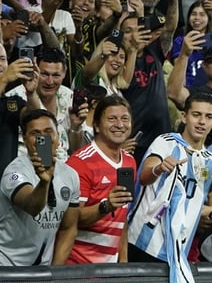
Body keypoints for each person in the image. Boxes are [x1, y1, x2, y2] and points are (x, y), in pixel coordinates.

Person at [127, 91, 212, 283]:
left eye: (208, 117)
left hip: (176, 253)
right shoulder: (166, 142)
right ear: (183, 116)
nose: (202, 121)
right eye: (196, 115)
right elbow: (143, 177)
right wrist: (159, 168)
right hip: (142, 244)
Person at [0, 109, 80, 266]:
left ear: (58, 136)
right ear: (25, 139)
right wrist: (44, 182)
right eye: (35, 133)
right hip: (6, 267)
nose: (42, 137)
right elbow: (32, 206)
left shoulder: (70, 176)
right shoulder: (14, 172)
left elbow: (68, 228)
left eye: (48, 132)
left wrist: (54, 273)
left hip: (41, 272)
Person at [64, 95, 137, 264]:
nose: (119, 125)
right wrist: (106, 206)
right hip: (78, 266)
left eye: (125, 119)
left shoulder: (129, 161)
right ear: (96, 125)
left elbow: (122, 215)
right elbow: (71, 219)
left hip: (110, 268)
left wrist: (123, 262)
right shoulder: (80, 162)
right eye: (112, 119)